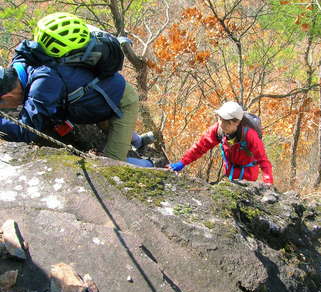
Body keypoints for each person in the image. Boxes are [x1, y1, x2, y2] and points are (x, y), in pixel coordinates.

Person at [0, 13, 153, 166]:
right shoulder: (20, 61)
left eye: (3, 106)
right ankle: (139, 142)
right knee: (110, 125)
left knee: (113, 163)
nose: (7, 108)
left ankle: (152, 166)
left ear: (7, 96)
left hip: (122, 101)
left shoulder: (44, 82)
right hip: (101, 97)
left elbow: (25, 132)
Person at [168, 101, 274, 185]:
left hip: (248, 176)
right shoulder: (218, 130)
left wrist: (268, 181)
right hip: (230, 173)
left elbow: (263, 160)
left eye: (225, 121)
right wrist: (182, 162)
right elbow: (200, 147)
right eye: (219, 119)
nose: (221, 124)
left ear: (236, 123)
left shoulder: (249, 135)